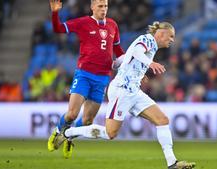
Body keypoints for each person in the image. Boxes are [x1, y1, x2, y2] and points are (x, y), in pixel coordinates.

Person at [56, 21, 196, 169]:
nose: (172, 40)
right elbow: (136, 52)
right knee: (110, 133)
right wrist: (150, 63)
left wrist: (122, 66)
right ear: (161, 34)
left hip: (134, 91)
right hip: (122, 91)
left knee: (162, 120)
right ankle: (68, 132)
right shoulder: (147, 39)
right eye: (171, 36)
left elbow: (126, 57)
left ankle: (172, 163)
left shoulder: (151, 45)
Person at [47, 0, 124, 159]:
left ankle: (69, 137)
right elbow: (58, 28)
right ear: (92, 7)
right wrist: (55, 12)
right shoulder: (83, 22)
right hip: (84, 74)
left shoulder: (112, 25)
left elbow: (117, 49)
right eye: (100, 6)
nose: (104, 9)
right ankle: (57, 133)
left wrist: (125, 63)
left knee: (88, 120)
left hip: (102, 78)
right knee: (72, 115)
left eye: (106, 6)